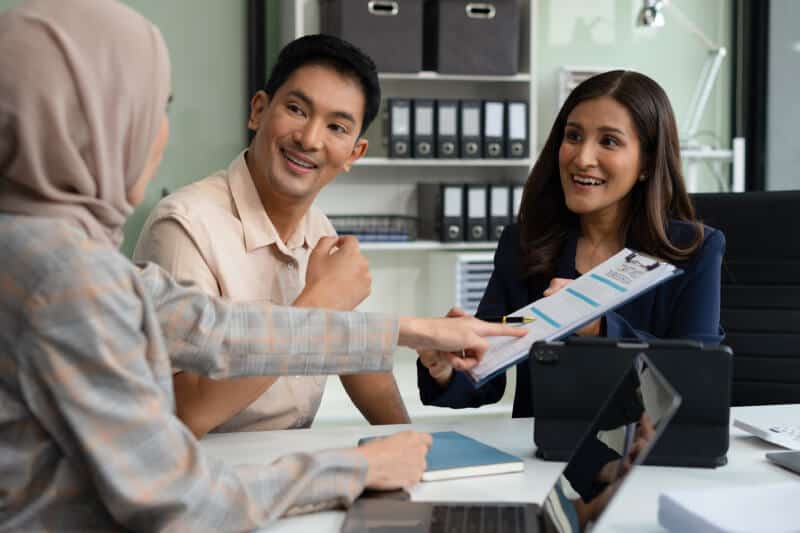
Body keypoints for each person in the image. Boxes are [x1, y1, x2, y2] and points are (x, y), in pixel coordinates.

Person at [0, 1, 524, 530]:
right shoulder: (61, 274)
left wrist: (418, 334)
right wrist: (356, 467)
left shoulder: (50, 250)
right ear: (88, 125)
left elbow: (217, 331)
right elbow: (178, 496)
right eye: (150, 111)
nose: (159, 135)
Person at [133, 34, 409, 437]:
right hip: (207, 476)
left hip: (292, 467)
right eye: (297, 109)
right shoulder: (184, 226)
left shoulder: (320, 229)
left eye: (336, 126)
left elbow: (354, 350)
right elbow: (183, 413)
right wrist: (318, 303)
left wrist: (413, 443)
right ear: (259, 110)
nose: (310, 139)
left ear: (354, 153)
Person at [417, 70, 725, 417]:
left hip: (651, 457)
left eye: (609, 141)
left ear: (647, 163)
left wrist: (600, 327)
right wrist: (446, 368)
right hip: (545, 456)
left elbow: (695, 382)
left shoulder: (692, 250)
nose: (582, 158)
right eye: (573, 136)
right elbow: (486, 377)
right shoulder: (525, 244)